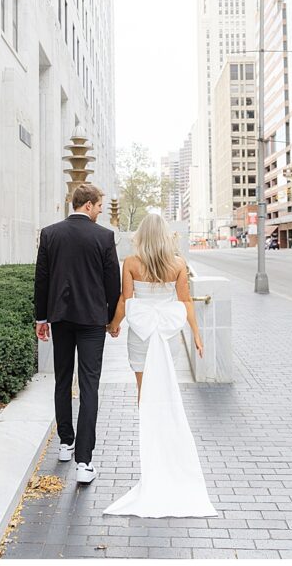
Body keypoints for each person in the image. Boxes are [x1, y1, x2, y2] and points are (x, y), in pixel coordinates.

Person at [103, 212, 216, 518]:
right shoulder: (178, 264)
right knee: (166, 382)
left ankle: (149, 436)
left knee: (143, 388)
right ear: (166, 235)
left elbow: (125, 301)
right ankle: (166, 433)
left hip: (141, 334)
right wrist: (196, 334)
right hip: (166, 333)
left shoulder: (132, 263)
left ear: (141, 235)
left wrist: (113, 325)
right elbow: (186, 303)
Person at [34, 183, 120, 484]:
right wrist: (110, 320)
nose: (100, 210)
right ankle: (84, 462)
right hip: (92, 322)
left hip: (60, 318)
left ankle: (65, 444)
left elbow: (41, 280)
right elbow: (114, 285)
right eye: (99, 205)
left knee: (61, 380)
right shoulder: (104, 237)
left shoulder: (50, 234)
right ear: (87, 205)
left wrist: (41, 318)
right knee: (89, 386)